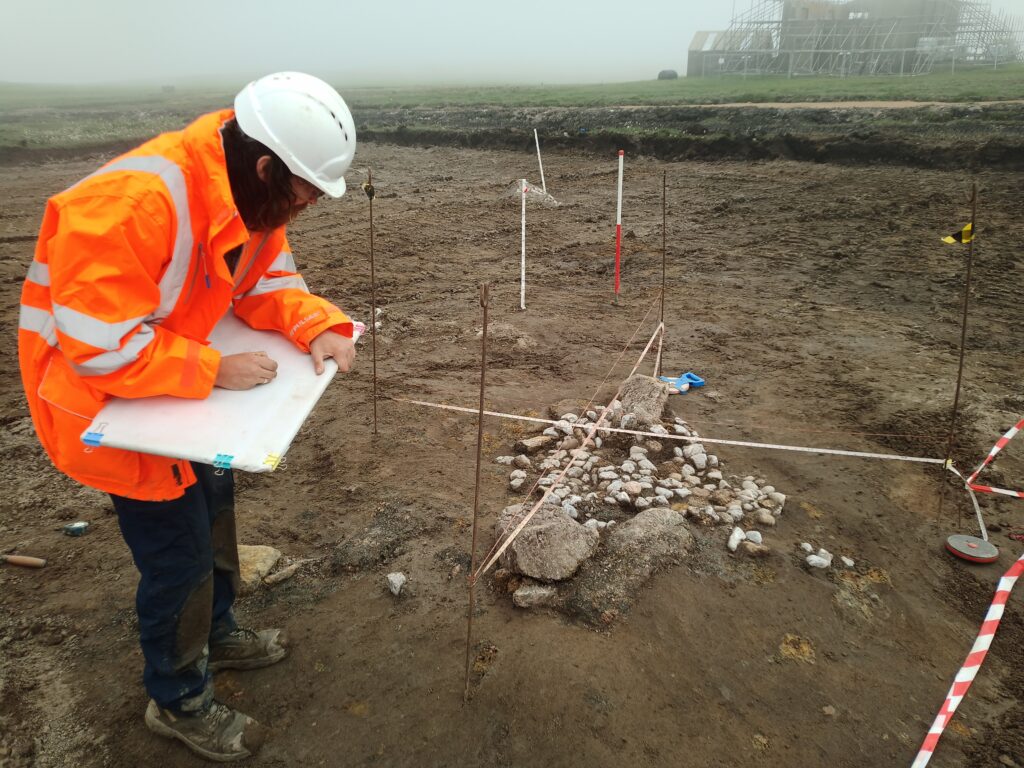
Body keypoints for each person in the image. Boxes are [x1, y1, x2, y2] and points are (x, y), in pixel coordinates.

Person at [17, 72, 359, 761]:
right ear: (267, 168)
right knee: (179, 559)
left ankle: (220, 630)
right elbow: (99, 348)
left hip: (179, 402)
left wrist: (317, 324)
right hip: (115, 408)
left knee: (215, 511)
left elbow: (268, 283)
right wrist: (211, 370)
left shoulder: (247, 202)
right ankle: (176, 698)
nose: (305, 209)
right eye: (303, 195)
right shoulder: (133, 204)